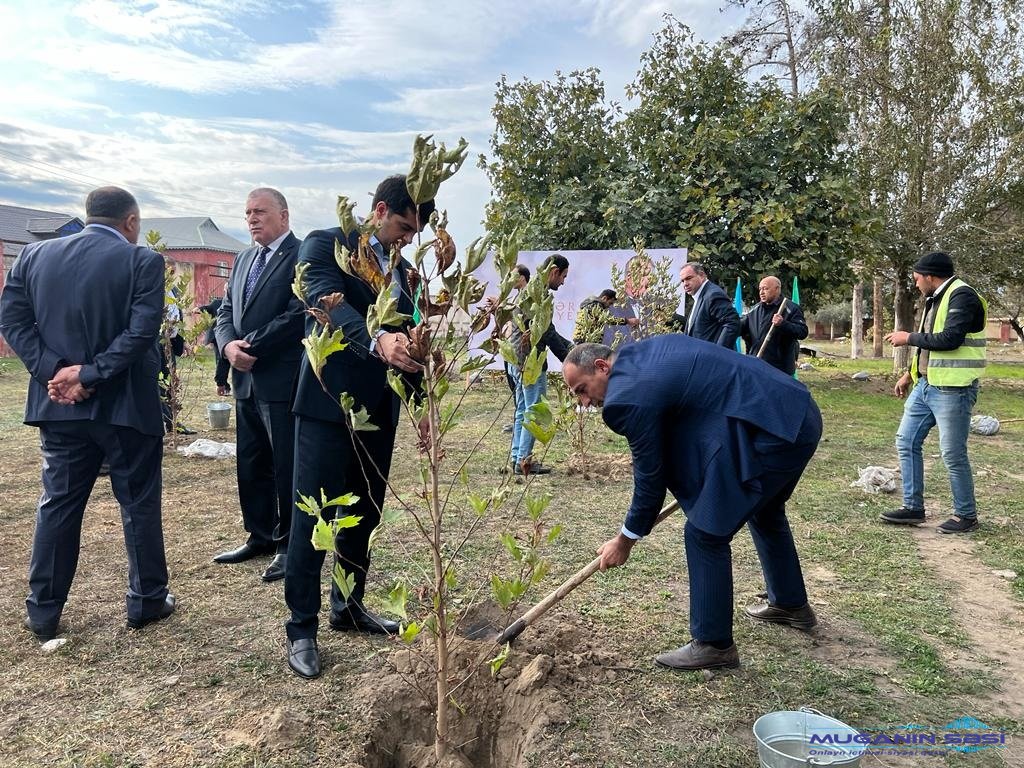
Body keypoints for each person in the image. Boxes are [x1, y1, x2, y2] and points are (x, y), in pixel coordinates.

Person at [562, 338, 822, 670]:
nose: (585, 402)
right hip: (794, 411)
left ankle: (713, 644)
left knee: (704, 534)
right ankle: (790, 604)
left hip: (774, 430)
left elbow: (650, 479)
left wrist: (624, 541)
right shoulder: (640, 353)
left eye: (582, 390)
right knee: (765, 510)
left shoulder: (624, 398)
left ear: (602, 367)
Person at [0, 186, 174, 642]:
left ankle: (42, 611)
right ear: (131, 222)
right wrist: (89, 374)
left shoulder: (33, 257)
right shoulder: (143, 261)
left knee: (58, 504)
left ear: (89, 214)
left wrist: (55, 372)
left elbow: (13, 322)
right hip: (125, 406)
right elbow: (142, 333)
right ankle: (146, 601)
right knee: (138, 503)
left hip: (57, 406)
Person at [284, 175, 432, 679]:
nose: (404, 240)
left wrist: (421, 402)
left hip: (379, 413)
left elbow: (411, 345)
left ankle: (347, 606)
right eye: (400, 227)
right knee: (314, 517)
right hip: (327, 406)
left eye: (413, 235)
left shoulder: (405, 273)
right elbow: (327, 302)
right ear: (378, 209)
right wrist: (376, 341)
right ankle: (301, 627)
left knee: (365, 513)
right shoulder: (325, 244)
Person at [214, 188, 305, 582]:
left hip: (280, 378)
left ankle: (289, 544)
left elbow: (300, 312)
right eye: (247, 212)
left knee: (286, 463)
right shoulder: (243, 259)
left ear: (283, 216)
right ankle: (260, 535)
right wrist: (227, 345)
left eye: (260, 212)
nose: (252, 219)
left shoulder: (302, 255)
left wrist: (250, 346)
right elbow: (224, 310)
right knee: (251, 462)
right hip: (244, 377)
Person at [882, 251, 987, 534]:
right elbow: (930, 344)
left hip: (954, 389)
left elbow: (950, 339)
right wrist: (910, 373)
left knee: (952, 453)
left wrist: (907, 337)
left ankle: (966, 515)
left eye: (917, 278)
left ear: (930, 276)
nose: (915, 284)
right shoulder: (934, 298)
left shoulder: (962, 296)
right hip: (926, 385)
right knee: (906, 441)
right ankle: (913, 508)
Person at [506, 254, 573, 476]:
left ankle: (517, 458)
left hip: (517, 360)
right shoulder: (538, 295)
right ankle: (524, 461)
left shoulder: (531, 291)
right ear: (554, 271)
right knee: (534, 411)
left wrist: (570, 349)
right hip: (530, 362)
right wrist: (569, 357)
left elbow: (548, 329)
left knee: (522, 410)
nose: (562, 282)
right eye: (563, 276)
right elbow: (547, 332)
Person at [739, 276, 808, 375]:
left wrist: (783, 324)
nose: (761, 292)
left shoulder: (791, 308)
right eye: (760, 289)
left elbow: (802, 332)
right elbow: (740, 327)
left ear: (777, 289)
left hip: (780, 369)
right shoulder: (754, 310)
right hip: (756, 364)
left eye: (765, 288)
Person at [673, 263, 740, 348]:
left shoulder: (713, 294)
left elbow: (732, 322)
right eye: (682, 281)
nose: (685, 284)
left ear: (702, 275)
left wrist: (719, 352)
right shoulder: (701, 296)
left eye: (688, 278)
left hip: (712, 359)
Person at [572, 288, 639, 344]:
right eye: (610, 303)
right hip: (583, 339)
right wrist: (627, 321)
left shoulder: (592, 305)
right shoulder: (595, 306)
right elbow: (607, 319)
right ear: (604, 298)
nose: (609, 306)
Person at [197, 295, 230, 395]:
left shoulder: (236, 301)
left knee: (223, 361)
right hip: (217, 337)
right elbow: (207, 308)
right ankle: (221, 384)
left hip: (229, 335)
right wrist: (198, 309)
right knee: (221, 360)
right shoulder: (217, 302)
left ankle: (223, 384)